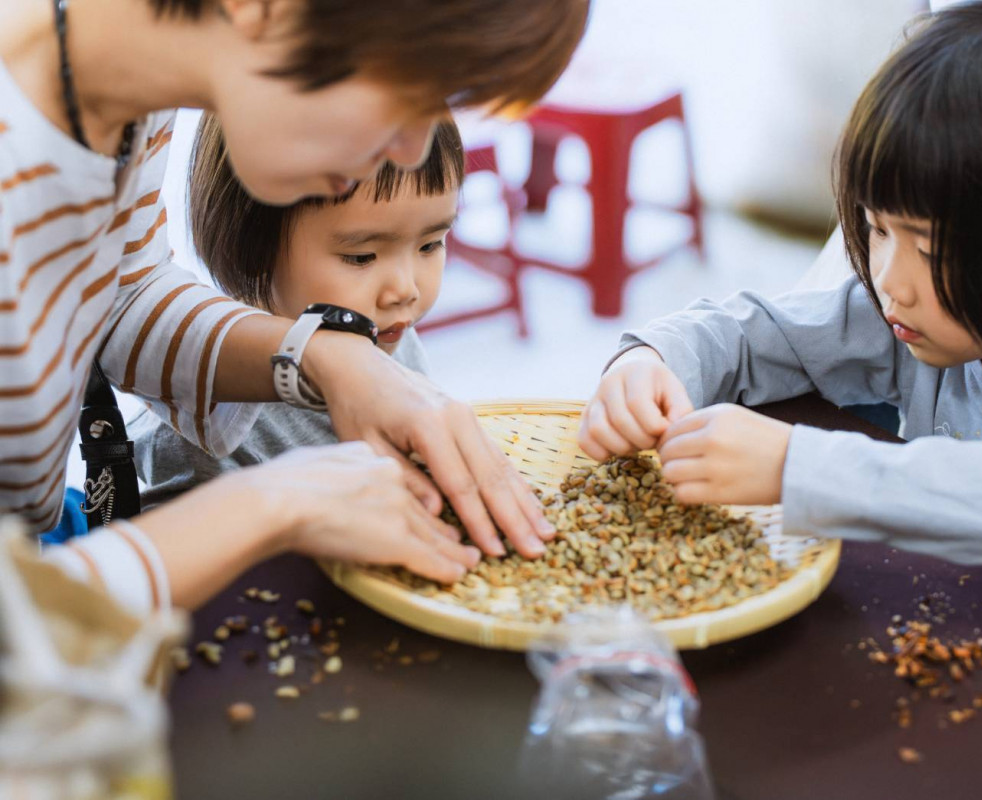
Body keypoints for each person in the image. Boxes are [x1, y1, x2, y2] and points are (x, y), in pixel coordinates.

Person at [0, 0, 588, 612]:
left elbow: (121, 295)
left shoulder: (127, 102)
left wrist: (323, 357)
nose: (413, 150)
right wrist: (272, 504)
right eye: (408, 91)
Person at [578, 0, 982, 581]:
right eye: (875, 228)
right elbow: (757, 334)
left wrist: (799, 468)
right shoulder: (909, 320)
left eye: (932, 251)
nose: (890, 281)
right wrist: (655, 361)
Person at [130, 114, 461, 516]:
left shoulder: (388, 335)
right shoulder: (205, 423)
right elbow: (182, 556)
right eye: (361, 257)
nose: (405, 290)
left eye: (430, 245)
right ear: (252, 246)